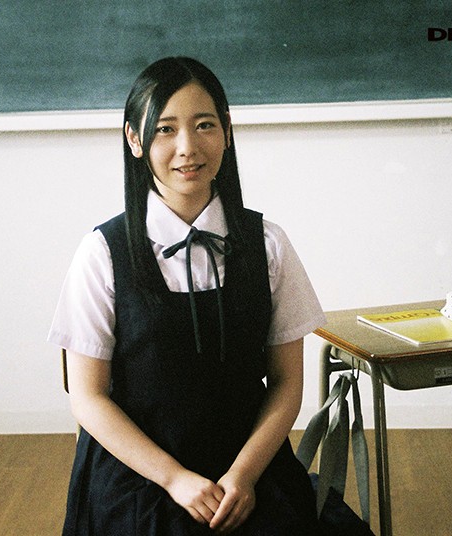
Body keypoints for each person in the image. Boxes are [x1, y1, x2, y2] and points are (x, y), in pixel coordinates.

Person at [49, 57, 329, 535]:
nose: (187, 148)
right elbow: (88, 397)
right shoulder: (103, 252)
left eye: (204, 125)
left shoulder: (267, 244)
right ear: (134, 140)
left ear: (227, 131)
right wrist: (175, 479)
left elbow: (286, 383)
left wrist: (244, 475)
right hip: (140, 473)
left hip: (248, 466)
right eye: (165, 129)